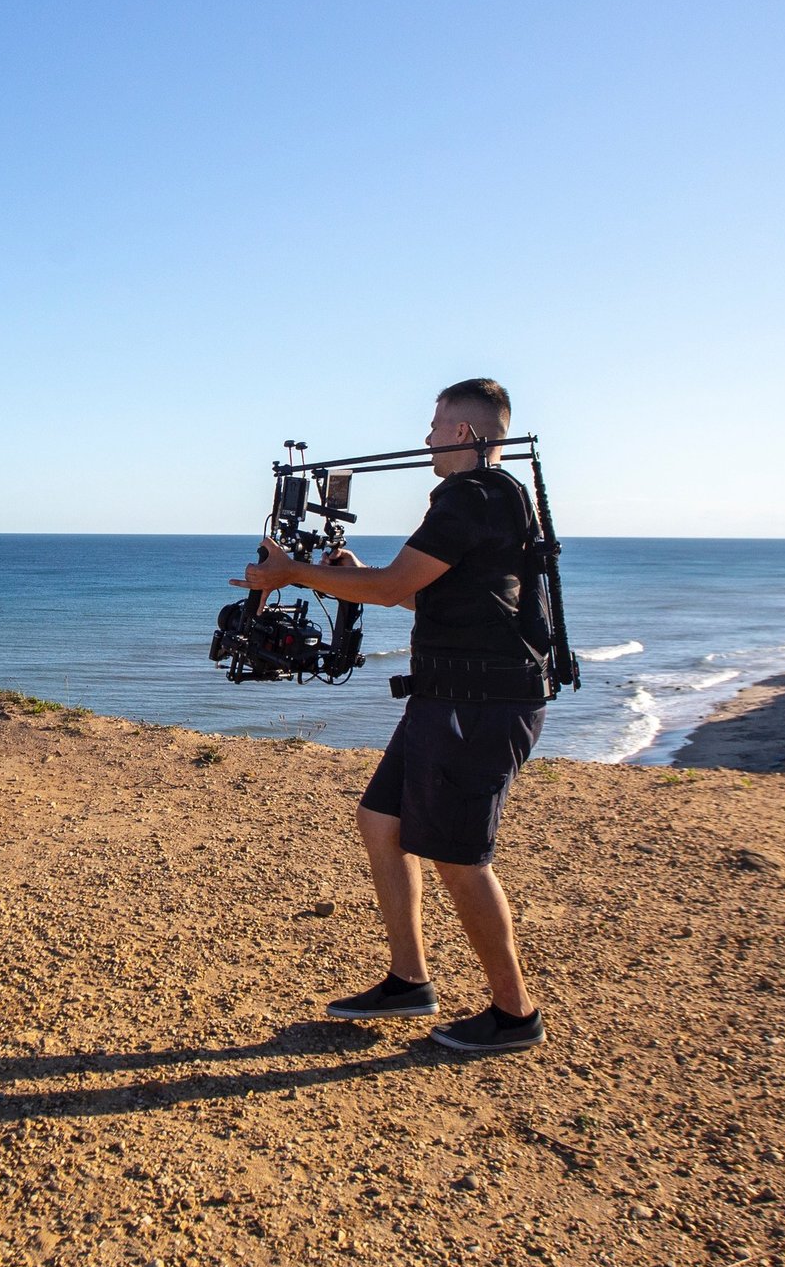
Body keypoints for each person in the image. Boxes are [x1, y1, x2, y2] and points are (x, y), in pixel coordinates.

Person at [232, 378, 555, 1053]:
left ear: (464, 433)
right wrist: (350, 573)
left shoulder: (471, 497)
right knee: (381, 822)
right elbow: (424, 593)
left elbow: (389, 589)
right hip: (448, 695)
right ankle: (410, 981)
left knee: (459, 858)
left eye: (436, 425)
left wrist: (294, 574)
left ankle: (514, 1015)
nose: (427, 437)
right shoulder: (492, 496)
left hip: (478, 703)